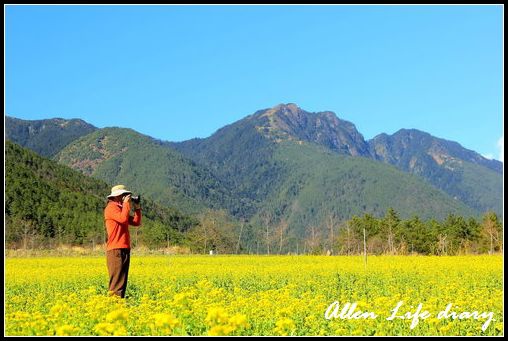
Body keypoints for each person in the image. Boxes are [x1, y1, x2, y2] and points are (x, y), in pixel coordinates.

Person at [104, 184, 142, 298]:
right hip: (115, 249)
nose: (126, 197)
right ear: (116, 196)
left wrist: (137, 208)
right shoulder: (111, 208)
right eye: (124, 195)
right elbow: (123, 219)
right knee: (117, 282)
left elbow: (136, 222)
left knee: (122, 281)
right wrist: (126, 204)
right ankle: (113, 308)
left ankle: (119, 307)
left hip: (124, 248)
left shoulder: (121, 208)